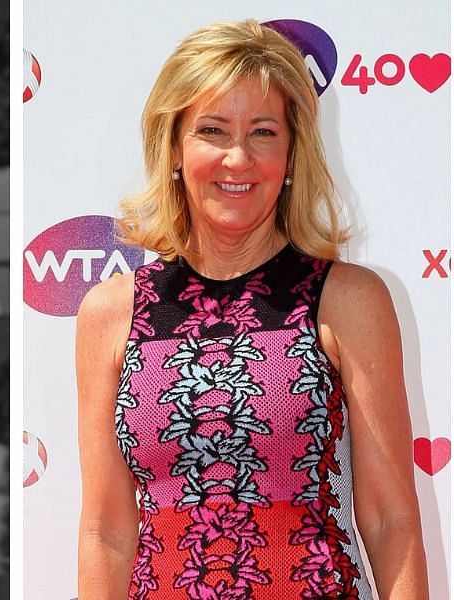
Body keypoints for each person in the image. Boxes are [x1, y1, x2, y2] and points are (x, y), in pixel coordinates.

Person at [75, 20, 427, 599]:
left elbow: (393, 522)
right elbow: (107, 531)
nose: (238, 158)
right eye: (213, 131)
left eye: (263, 132)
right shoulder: (112, 312)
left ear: (291, 156)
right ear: (174, 151)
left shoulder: (347, 299)